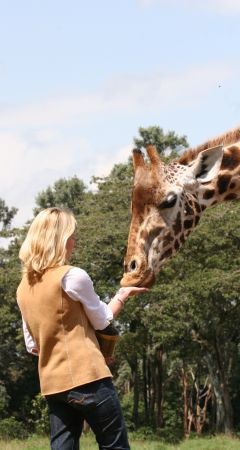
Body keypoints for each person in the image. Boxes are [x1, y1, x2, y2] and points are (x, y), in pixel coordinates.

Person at [17, 207, 148, 450]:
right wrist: (122, 295)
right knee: (115, 446)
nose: (74, 243)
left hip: (53, 386)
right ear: (60, 240)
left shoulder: (23, 288)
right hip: (89, 378)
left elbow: (32, 346)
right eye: (72, 237)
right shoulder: (72, 276)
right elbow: (102, 320)